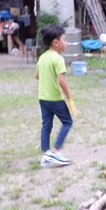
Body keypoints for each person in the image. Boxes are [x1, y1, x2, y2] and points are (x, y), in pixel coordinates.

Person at [35, 25, 76, 167]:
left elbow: (37, 76)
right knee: (68, 122)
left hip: (43, 98)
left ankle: (46, 154)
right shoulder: (57, 59)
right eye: (64, 39)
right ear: (56, 43)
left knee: (46, 125)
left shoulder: (42, 57)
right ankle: (55, 151)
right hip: (55, 99)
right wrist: (69, 98)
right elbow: (61, 80)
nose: (67, 42)